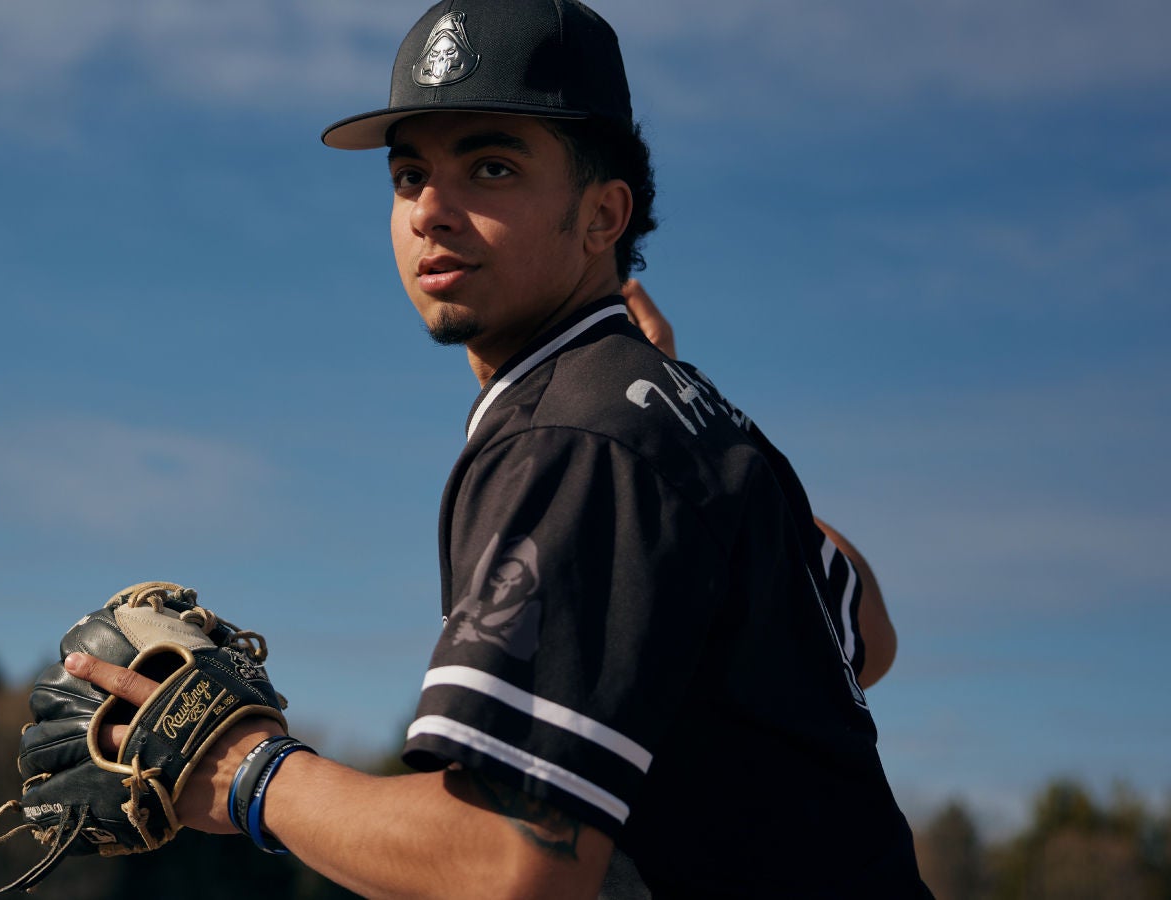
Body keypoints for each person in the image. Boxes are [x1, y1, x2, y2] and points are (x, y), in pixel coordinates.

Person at [62, 0, 928, 896]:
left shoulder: (580, 435)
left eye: (490, 166)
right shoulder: (681, 423)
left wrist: (250, 772)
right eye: (408, 176)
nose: (432, 211)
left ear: (603, 215)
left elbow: (513, 862)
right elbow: (869, 634)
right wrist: (680, 434)